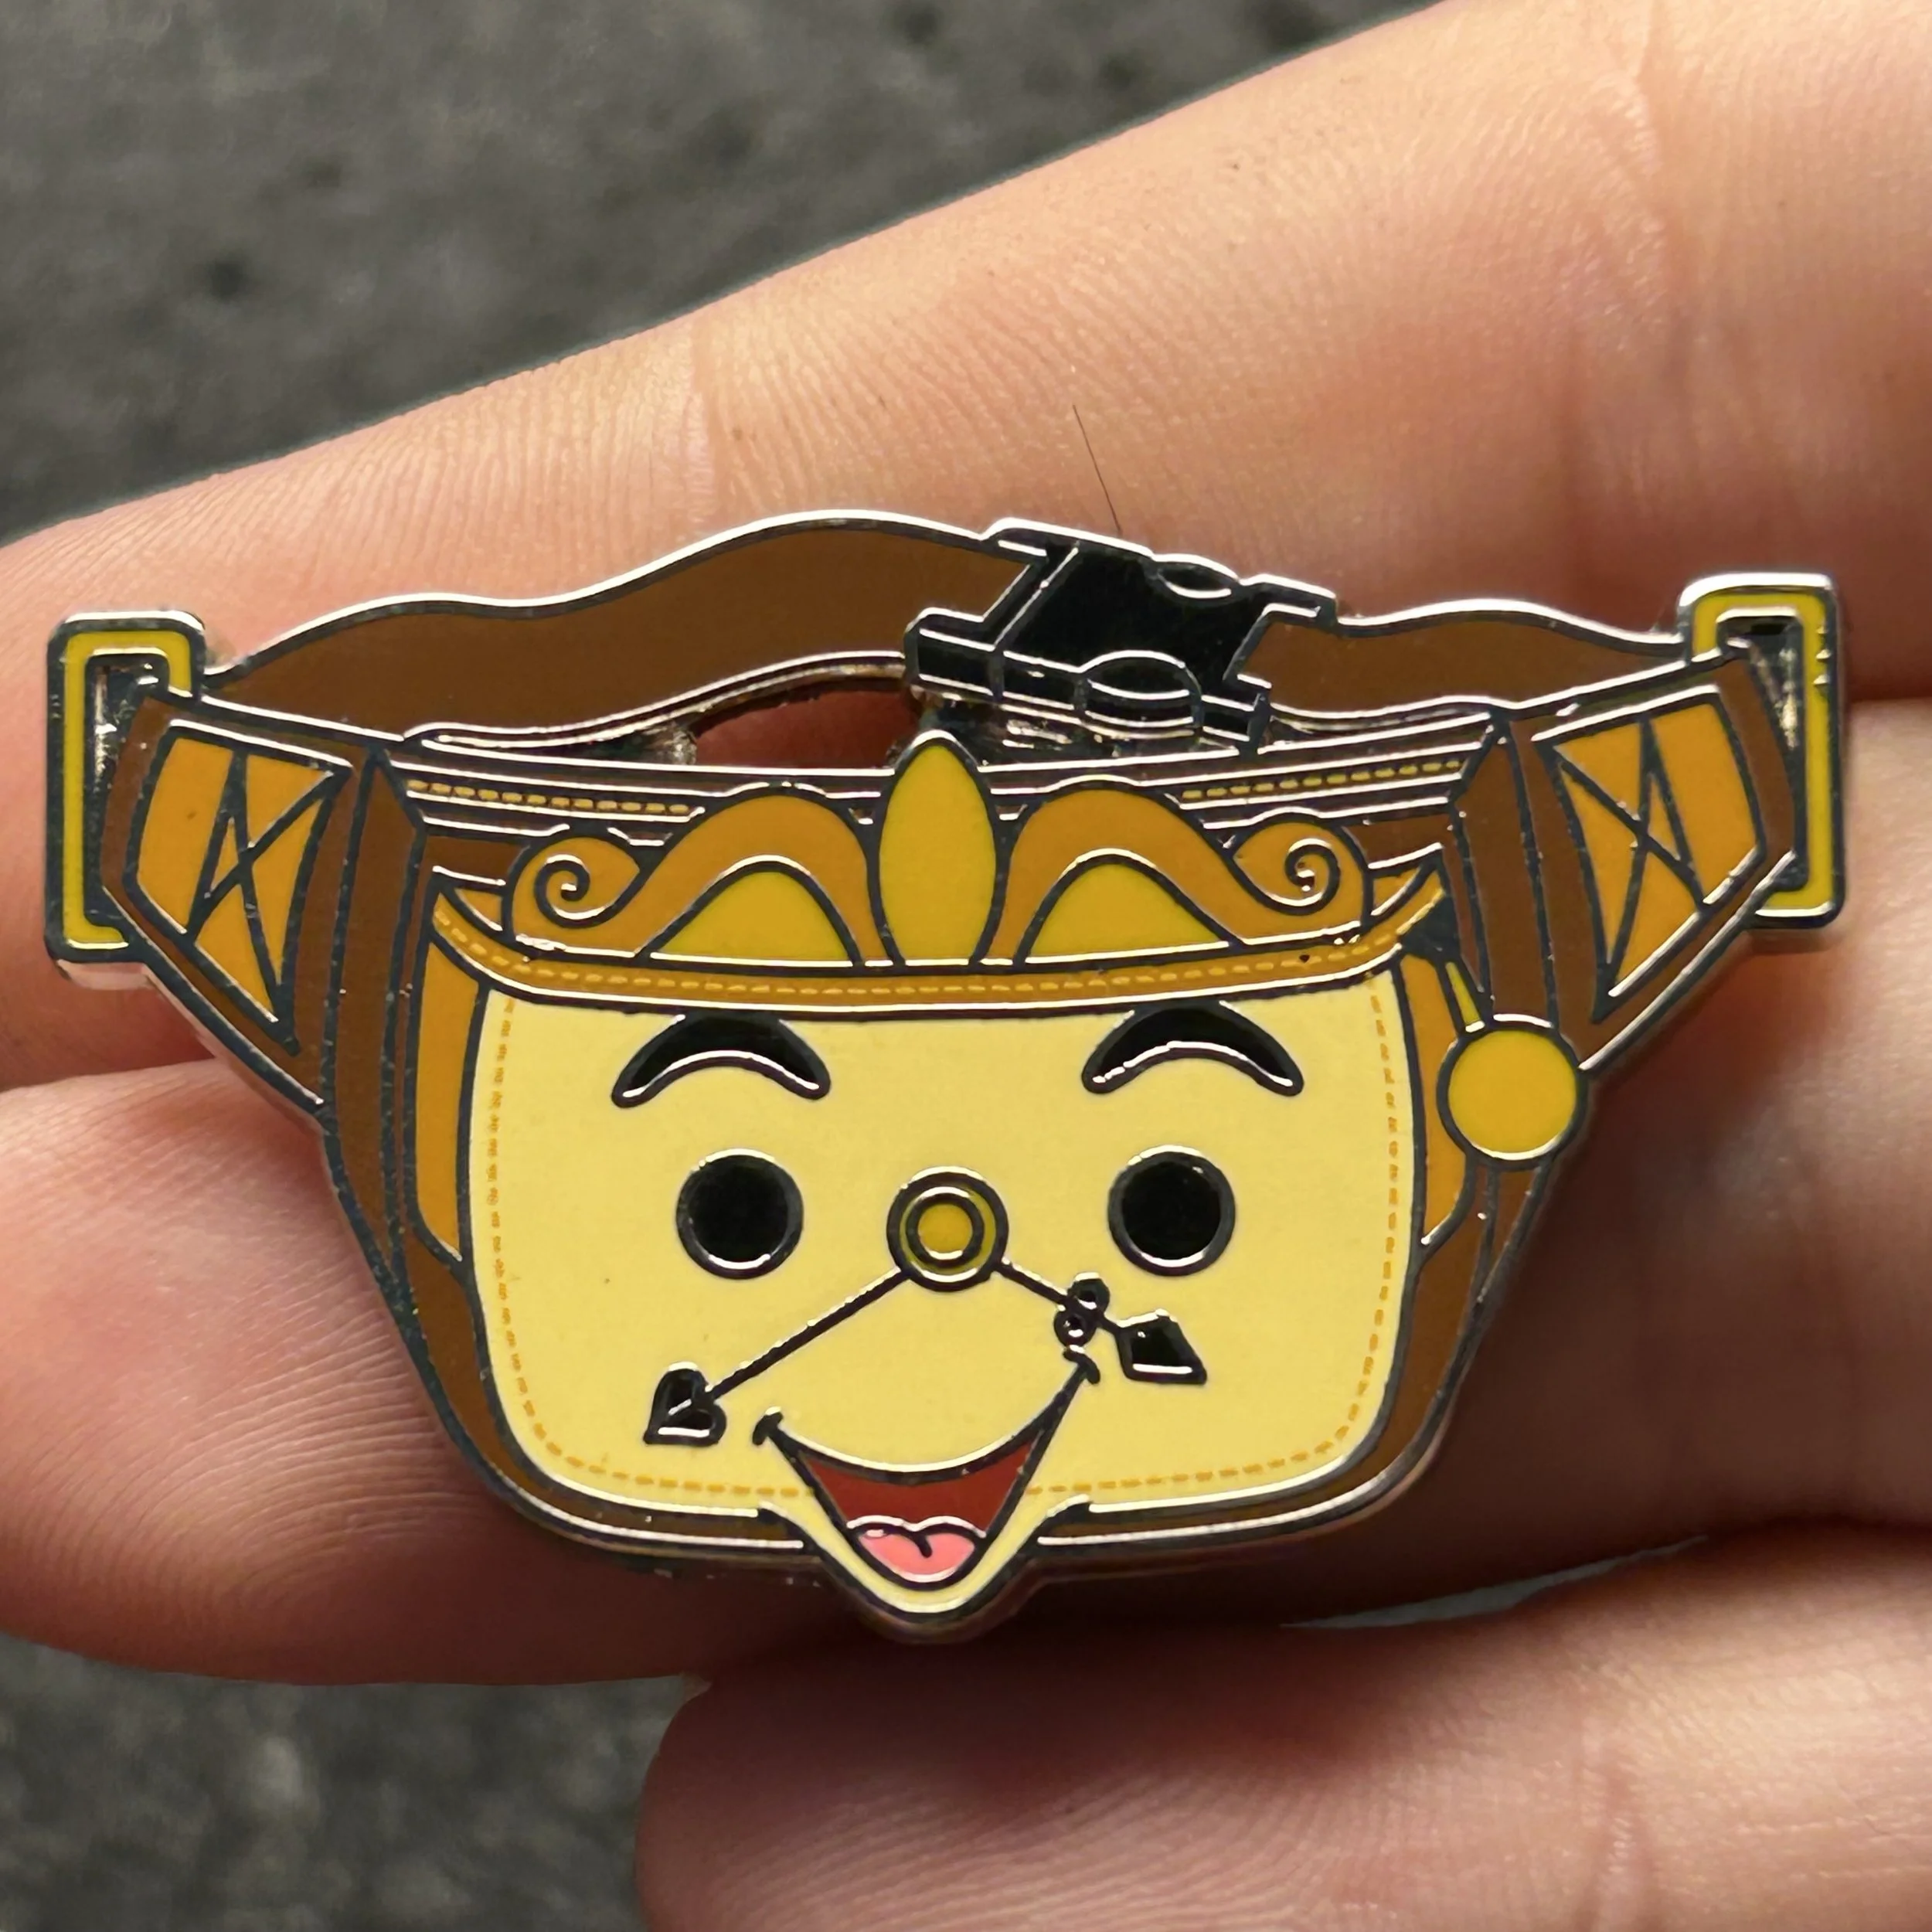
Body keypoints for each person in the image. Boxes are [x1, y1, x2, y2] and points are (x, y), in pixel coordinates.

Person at [2, 0, 1927, 1921]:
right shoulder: (1527, 901)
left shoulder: (1523, 911)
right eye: (734, 1205)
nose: (941, 1266)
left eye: (1173, 1197)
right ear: (436, 1142)